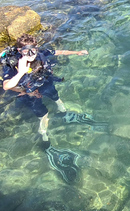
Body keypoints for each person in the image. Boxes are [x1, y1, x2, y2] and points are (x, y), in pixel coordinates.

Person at [1, 34, 89, 183]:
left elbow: (58, 52)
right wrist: (24, 87)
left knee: (56, 97)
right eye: (25, 52)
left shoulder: (40, 53)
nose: (31, 55)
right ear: (19, 50)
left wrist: (77, 52)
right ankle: (45, 139)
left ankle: (64, 113)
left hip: (44, 82)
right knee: (44, 115)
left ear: (36, 48)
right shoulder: (14, 64)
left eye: (33, 51)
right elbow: (7, 85)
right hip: (29, 92)